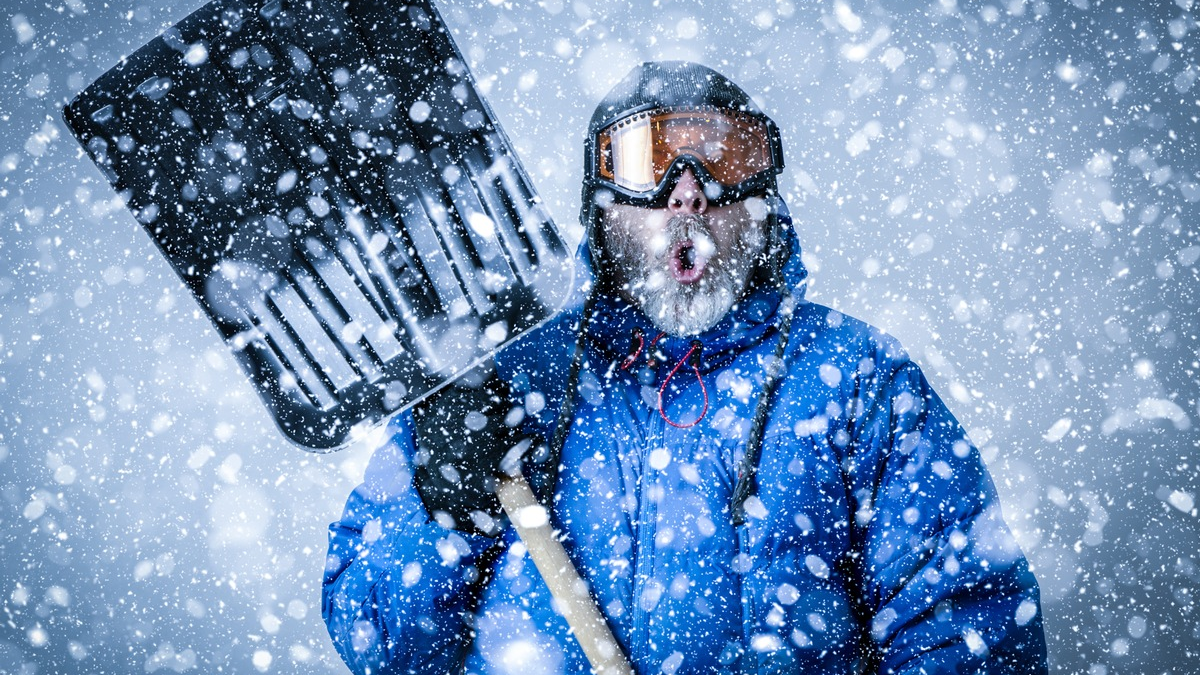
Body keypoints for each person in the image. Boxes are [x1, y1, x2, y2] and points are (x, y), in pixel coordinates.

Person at [322, 61, 1048, 674]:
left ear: (762, 199)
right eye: (647, 160)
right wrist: (438, 511)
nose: (688, 189)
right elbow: (376, 642)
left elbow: (970, 629)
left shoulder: (858, 380)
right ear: (600, 203)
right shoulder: (504, 378)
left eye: (724, 160)